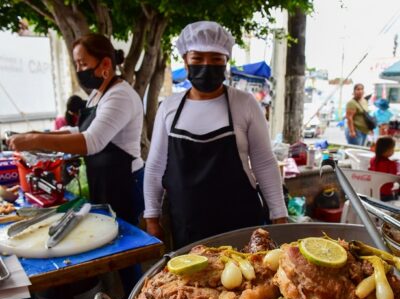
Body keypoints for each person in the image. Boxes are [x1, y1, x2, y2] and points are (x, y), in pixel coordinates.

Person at [144, 21, 288, 249]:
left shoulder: (245, 104)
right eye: (197, 59)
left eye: (215, 59)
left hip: (241, 221)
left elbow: (264, 163)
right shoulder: (168, 108)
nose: (206, 65)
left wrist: (279, 214)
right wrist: (152, 217)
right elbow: (155, 167)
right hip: (188, 224)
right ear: (185, 60)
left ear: (226, 62)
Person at [8, 33, 144, 225]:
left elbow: (91, 141)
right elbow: (79, 130)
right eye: (77, 64)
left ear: (105, 63)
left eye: (83, 64)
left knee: (127, 238)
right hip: (105, 180)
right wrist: (35, 135)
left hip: (125, 183)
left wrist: (34, 140)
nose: (79, 70)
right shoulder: (98, 94)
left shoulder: (120, 96)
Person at [369, 136, 399, 201]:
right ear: (387, 150)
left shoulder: (372, 160)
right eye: (393, 149)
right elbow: (394, 178)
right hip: (386, 195)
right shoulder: (391, 164)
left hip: (373, 192)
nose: (393, 151)